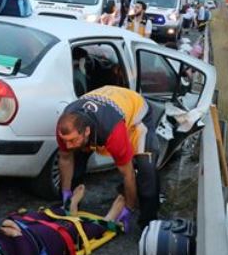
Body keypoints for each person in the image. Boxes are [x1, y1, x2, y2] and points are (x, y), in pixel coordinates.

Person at [55, 85, 160, 231]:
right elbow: (66, 159)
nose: (68, 144)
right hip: (105, 103)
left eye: (72, 140)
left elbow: (128, 174)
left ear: (87, 131)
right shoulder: (65, 128)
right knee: (76, 157)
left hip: (135, 110)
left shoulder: (112, 132)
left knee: (146, 169)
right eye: (65, 141)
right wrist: (65, 191)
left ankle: (148, 224)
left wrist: (128, 208)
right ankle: (70, 206)